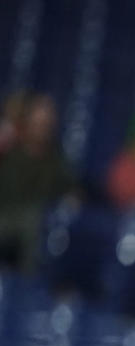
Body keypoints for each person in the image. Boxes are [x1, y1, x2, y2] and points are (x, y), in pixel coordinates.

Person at [0, 92, 75, 271]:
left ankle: (28, 286)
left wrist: (73, 197)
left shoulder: (55, 157)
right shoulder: (10, 149)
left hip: (33, 219)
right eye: (38, 119)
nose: (42, 124)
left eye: (47, 120)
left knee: (34, 223)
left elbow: (71, 187)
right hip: (4, 213)